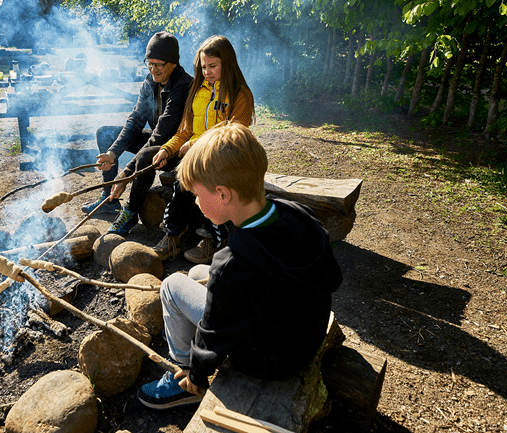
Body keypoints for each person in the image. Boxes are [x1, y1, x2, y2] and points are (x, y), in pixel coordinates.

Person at [136, 122, 343, 410]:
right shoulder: (298, 214)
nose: (195, 203)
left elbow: (215, 331)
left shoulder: (232, 264)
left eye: (197, 194)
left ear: (223, 194)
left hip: (267, 360)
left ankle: (183, 376)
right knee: (197, 273)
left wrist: (198, 371)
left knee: (172, 286)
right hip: (304, 334)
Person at [149, 35, 254, 262]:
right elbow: (184, 131)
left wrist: (196, 145)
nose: (207, 72)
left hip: (230, 158)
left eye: (213, 66)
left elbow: (232, 133)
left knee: (208, 182)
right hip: (198, 157)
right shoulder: (198, 91)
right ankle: (173, 235)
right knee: (183, 178)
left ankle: (213, 240)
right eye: (203, 66)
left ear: (228, 64)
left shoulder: (240, 94)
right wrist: (167, 150)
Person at [81, 32, 192, 230]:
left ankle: (131, 212)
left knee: (146, 154)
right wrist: (112, 152)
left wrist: (127, 171)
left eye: (159, 64)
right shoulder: (150, 81)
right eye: (149, 63)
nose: (153, 69)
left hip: (177, 150)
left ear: (173, 63)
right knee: (105, 133)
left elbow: (162, 133)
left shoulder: (183, 85)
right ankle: (109, 199)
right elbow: (136, 120)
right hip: (157, 142)